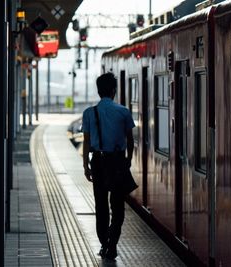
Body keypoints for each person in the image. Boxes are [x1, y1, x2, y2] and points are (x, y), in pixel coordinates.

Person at [82, 72, 135, 261]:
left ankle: (104, 243)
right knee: (118, 206)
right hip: (117, 161)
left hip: (98, 161)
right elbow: (130, 140)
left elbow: (86, 142)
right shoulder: (123, 111)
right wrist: (128, 160)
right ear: (114, 90)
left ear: (98, 91)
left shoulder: (89, 113)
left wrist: (86, 166)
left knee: (101, 205)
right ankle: (112, 243)